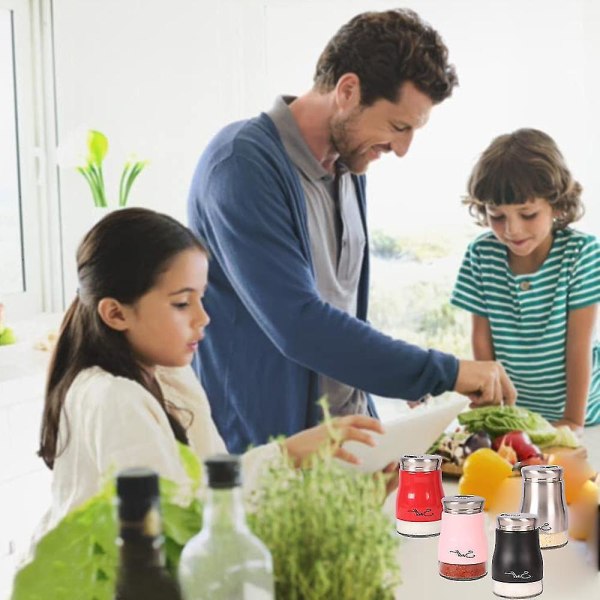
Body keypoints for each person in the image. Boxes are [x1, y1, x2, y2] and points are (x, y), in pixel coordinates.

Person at [187, 8, 516, 453]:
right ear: (347, 90)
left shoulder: (350, 166)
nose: (401, 149)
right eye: (398, 127)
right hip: (270, 456)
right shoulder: (242, 166)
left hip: (346, 444)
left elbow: (343, 315)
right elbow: (299, 325)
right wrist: (447, 371)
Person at [35, 208, 387, 538]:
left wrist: (293, 457)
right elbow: (182, 530)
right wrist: (325, 503)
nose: (202, 317)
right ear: (115, 314)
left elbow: (205, 489)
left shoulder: (169, 378)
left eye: (202, 298)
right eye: (182, 303)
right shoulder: (114, 398)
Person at [451, 128, 600, 431]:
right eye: (497, 215)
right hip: (518, 415)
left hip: (585, 414)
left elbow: (579, 344)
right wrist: (496, 412)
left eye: (528, 214)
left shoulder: (581, 253)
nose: (512, 230)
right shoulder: (481, 254)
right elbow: (482, 338)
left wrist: (572, 420)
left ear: (556, 205)